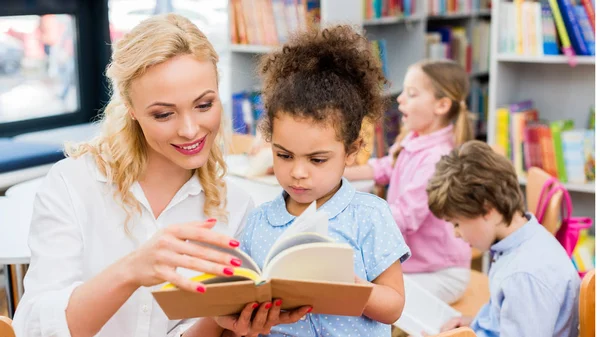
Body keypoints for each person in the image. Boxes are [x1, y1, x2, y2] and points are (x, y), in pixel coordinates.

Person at [12, 14, 307, 337]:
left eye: (204, 105)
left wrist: (220, 322)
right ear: (131, 108)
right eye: (164, 114)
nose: (190, 129)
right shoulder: (73, 184)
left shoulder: (234, 205)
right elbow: (36, 330)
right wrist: (132, 270)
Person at [193, 24, 412, 337]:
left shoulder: (369, 215)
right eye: (284, 156)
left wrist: (350, 286)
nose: (298, 172)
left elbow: (393, 306)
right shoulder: (258, 222)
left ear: (351, 151)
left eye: (317, 160)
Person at [345, 59, 473, 304]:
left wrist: (356, 217)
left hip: (439, 273)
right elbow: (384, 168)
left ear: (442, 105)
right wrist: (334, 169)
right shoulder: (415, 138)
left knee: (366, 299)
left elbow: (405, 217)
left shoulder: (437, 158)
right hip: (416, 265)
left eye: (412, 94)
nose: (400, 99)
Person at [427, 140, 581, 337]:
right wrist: (473, 323)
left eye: (456, 223)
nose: (456, 233)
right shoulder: (521, 241)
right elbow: (504, 315)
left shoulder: (523, 277)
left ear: (487, 210)